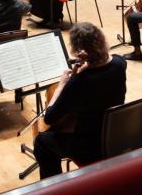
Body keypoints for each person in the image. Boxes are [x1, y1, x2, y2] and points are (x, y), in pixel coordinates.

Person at [33, 22, 127, 178]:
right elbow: (103, 67)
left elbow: (49, 117)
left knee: (42, 142)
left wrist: (63, 83)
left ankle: (54, 191)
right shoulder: (120, 63)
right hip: (115, 136)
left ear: (79, 51)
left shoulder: (79, 82)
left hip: (90, 148)